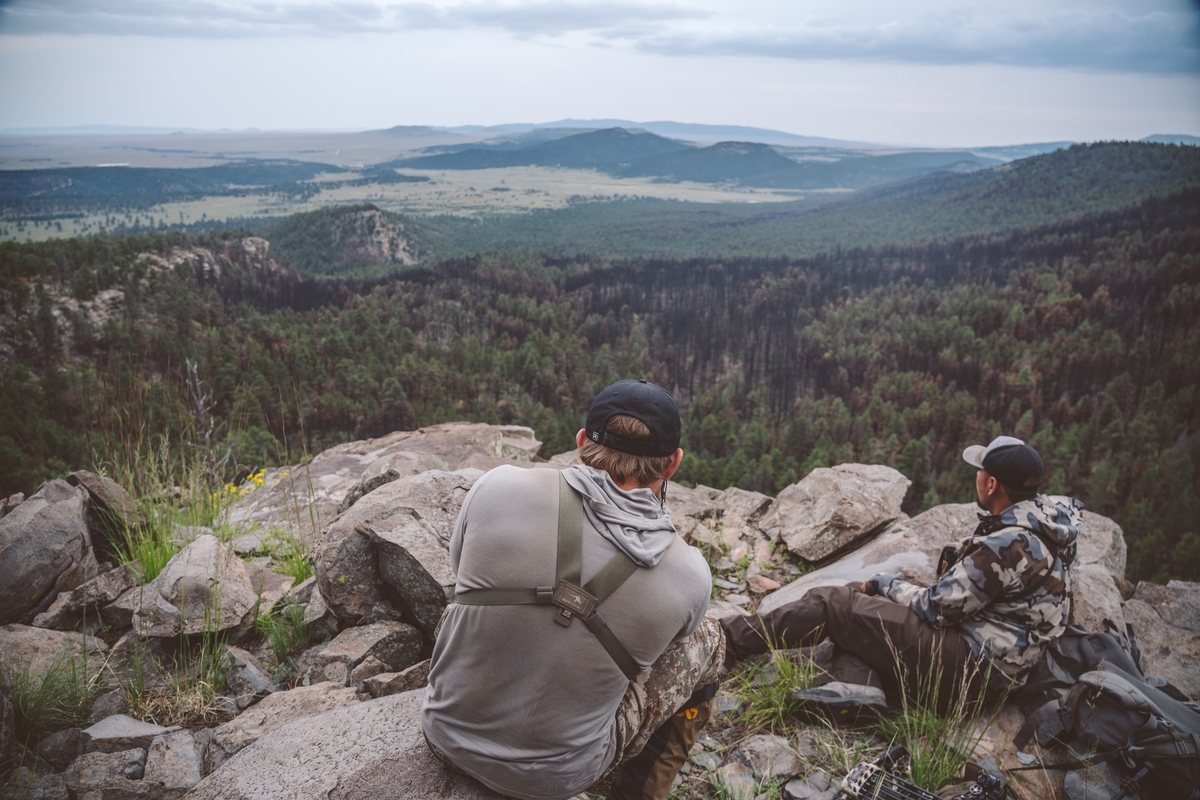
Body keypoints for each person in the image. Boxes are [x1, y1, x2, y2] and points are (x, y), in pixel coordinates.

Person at [422, 379, 724, 800]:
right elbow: (676, 640)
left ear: (582, 442)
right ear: (673, 464)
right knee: (710, 638)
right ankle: (639, 793)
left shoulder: (497, 485)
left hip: (444, 736)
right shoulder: (690, 572)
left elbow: (461, 572)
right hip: (556, 780)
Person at [720, 435, 1083, 723]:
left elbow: (938, 607)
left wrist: (885, 583)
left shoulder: (1006, 545)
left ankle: (724, 640)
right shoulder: (1049, 527)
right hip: (997, 670)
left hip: (967, 672)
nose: (975, 476)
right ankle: (857, 687)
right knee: (859, 605)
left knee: (835, 603)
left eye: (979, 471)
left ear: (991, 484)